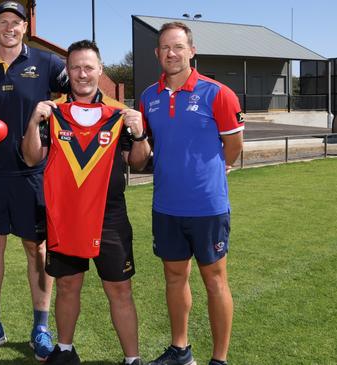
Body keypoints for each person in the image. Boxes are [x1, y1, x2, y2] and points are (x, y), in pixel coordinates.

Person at [21, 40, 151, 365]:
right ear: (68, 72)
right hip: (66, 216)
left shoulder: (119, 115)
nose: (82, 74)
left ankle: (132, 359)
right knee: (67, 286)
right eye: (76, 67)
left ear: (100, 70)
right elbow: (30, 157)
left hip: (110, 217)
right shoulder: (52, 114)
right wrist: (32, 123)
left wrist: (139, 134)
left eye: (88, 67)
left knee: (119, 290)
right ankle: (64, 351)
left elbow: (138, 162)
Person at [0, 1, 69, 360]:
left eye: (16, 22)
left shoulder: (48, 63)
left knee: (37, 250)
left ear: (24, 28)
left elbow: (79, 92)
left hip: (33, 174)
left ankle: (40, 327)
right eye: (3, 21)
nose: (10, 27)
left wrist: (55, 124)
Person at [138, 22, 244, 365]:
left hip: (207, 207)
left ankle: (220, 359)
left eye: (179, 47)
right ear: (157, 53)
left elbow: (233, 147)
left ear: (192, 51)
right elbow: (147, 148)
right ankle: (181, 351)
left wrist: (209, 173)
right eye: (165, 47)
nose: (172, 53)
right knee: (173, 278)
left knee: (215, 281)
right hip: (166, 206)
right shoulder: (148, 97)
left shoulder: (219, 93)